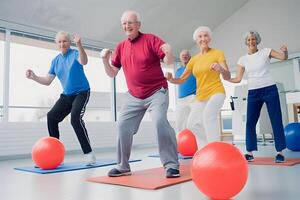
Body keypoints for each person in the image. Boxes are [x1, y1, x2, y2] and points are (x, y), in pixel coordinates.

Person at [100, 10, 179, 178]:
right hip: (134, 96)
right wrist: (104, 61)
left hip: (157, 92)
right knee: (122, 125)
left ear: (138, 25)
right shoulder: (121, 46)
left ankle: (171, 165)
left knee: (159, 122)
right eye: (124, 23)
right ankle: (123, 166)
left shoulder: (151, 40)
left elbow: (169, 61)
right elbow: (112, 73)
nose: (127, 26)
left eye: (130, 22)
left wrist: (169, 51)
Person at [26, 31, 96, 166]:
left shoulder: (75, 53)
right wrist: (34, 77)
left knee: (75, 119)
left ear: (69, 42)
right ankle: (54, 154)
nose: (62, 44)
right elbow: (47, 80)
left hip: (82, 93)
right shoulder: (56, 61)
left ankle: (89, 154)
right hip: (67, 95)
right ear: (56, 44)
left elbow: (84, 61)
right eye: (59, 42)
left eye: (64, 41)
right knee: (51, 117)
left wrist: (80, 45)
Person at [228, 31, 287, 163]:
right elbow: (238, 79)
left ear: (257, 40)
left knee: (276, 120)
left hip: (270, 89)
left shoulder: (266, 51)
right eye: (248, 40)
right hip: (253, 92)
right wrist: (226, 78)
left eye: (253, 39)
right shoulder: (242, 59)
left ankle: (280, 152)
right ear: (246, 42)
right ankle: (249, 152)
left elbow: (283, 57)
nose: (251, 42)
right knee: (250, 122)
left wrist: (285, 51)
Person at [166, 26, 230, 148]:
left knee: (208, 116)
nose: (203, 39)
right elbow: (181, 79)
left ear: (210, 38)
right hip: (201, 96)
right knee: (192, 124)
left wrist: (220, 69)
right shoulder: (194, 60)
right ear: (196, 40)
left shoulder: (218, 53)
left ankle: (214, 149)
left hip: (216, 92)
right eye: (200, 37)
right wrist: (171, 79)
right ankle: (206, 148)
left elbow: (227, 76)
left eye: (205, 36)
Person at [174, 49, 196, 133]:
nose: (184, 56)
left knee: (194, 122)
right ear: (180, 58)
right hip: (181, 99)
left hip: (194, 97)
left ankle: (197, 141)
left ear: (190, 57)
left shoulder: (194, 68)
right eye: (182, 55)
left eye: (186, 55)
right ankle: (180, 142)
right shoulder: (178, 71)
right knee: (179, 122)